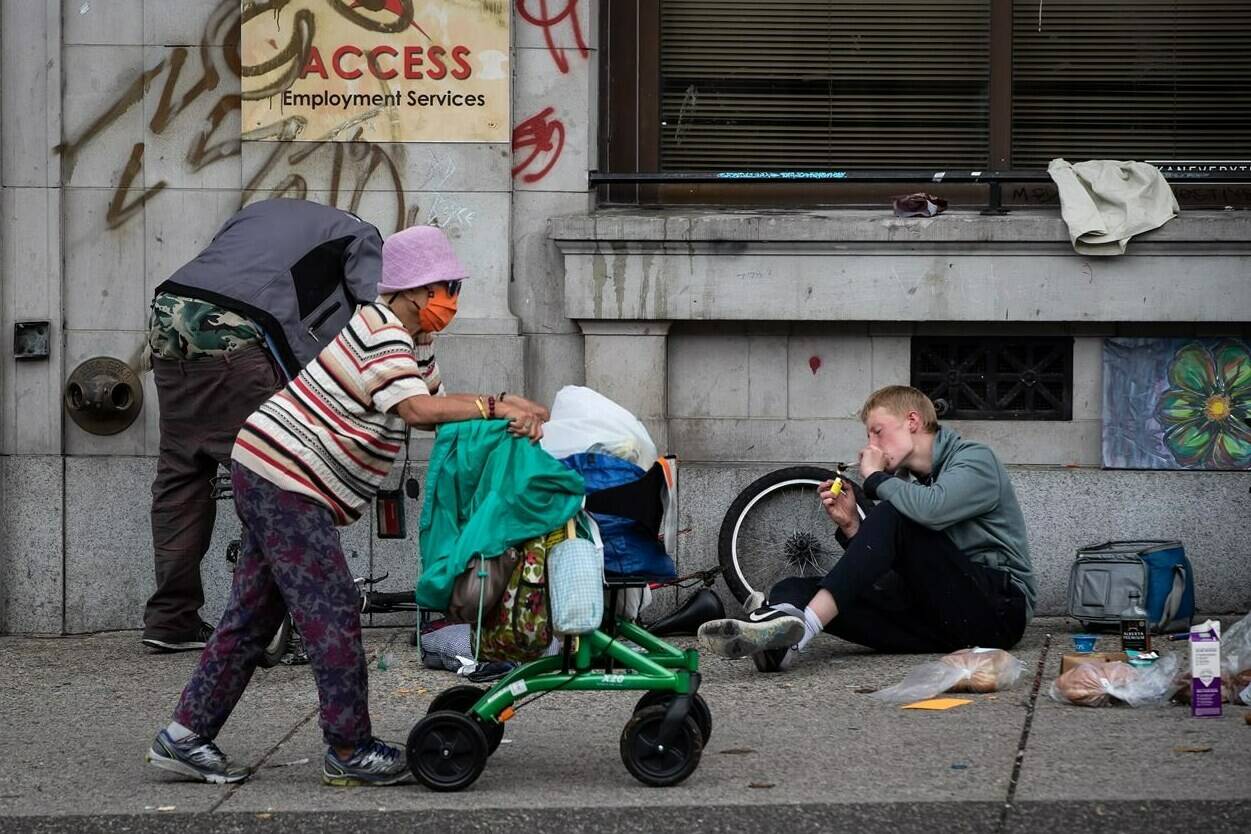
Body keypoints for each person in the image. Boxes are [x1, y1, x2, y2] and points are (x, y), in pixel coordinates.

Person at [145, 225, 550, 787]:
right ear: (411, 291)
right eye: (445, 287)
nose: (452, 299)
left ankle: (184, 737)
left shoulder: (410, 344)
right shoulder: (381, 331)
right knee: (332, 611)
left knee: (251, 616)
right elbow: (415, 411)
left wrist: (502, 416)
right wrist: (499, 404)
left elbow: (437, 406)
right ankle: (349, 747)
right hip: (286, 479)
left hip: (270, 470)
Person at [142, 198, 384, 653]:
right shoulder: (362, 235)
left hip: (168, 314)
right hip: (235, 329)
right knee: (273, 476)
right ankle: (269, 621)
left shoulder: (260, 209)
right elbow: (374, 315)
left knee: (183, 469)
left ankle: (170, 619)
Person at [699, 385, 1035, 672]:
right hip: (940, 618)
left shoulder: (975, 460)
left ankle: (799, 634)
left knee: (893, 514)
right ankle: (774, 632)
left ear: (913, 421)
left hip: (998, 612)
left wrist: (876, 479)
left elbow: (932, 510)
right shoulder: (909, 486)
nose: (871, 445)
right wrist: (852, 526)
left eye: (878, 431)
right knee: (795, 588)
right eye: (868, 435)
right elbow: (892, 577)